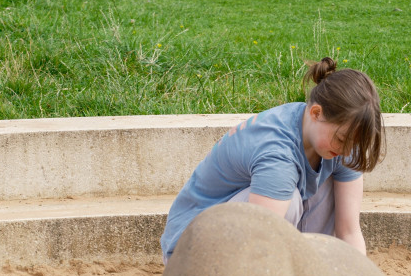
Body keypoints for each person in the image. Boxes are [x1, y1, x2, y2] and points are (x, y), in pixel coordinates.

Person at [160, 57, 384, 261]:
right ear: (316, 113)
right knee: (289, 200)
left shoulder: (337, 137)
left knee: (331, 180)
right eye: (342, 139)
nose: (347, 150)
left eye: (353, 143)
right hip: (190, 254)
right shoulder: (277, 152)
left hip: (250, 231)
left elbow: (349, 232)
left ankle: (316, 271)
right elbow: (262, 245)